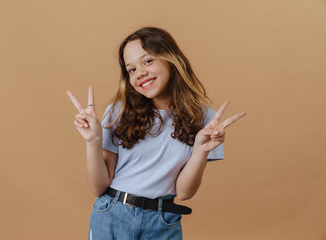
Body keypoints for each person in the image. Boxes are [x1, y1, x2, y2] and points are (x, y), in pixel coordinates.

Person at [67, 26, 246, 240]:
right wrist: (94, 142)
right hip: (112, 214)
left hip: (163, 221)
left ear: (171, 59)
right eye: (131, 69)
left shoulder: (206, 119)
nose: (140, 73)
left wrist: (200, 150)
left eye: (148, 61)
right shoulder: (118, 111)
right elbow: (98, 188)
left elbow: (184, 193)